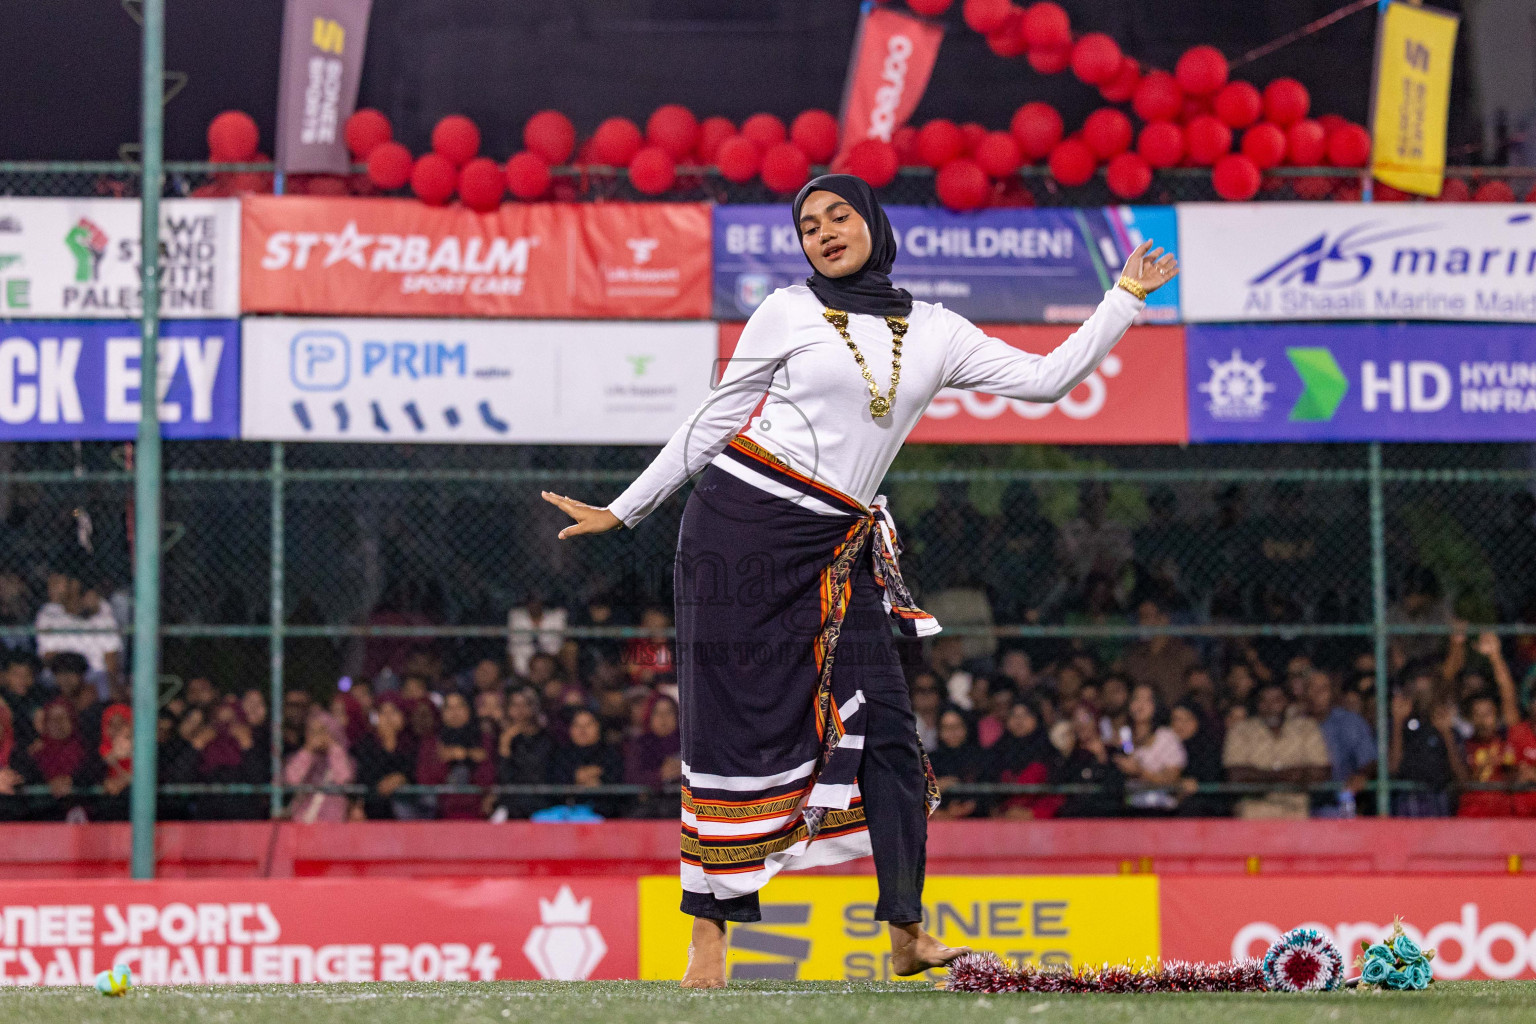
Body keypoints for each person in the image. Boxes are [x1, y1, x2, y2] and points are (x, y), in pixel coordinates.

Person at [541, 173, 1176, 987]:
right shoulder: (785, 310)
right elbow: (713, 420)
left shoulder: (939, 331)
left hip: (838, 546)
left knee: (891, 730)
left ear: (873, 221)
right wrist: (625, 509)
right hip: (739, 532)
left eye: (840, 215)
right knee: (728, 729)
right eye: (809, 225)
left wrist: (1122, 298)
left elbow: (1047, 379)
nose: (825, 232)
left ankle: (905, 928)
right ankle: (710, 940)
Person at [1222, 682, 1330, 819]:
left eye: (1277, 700)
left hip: (1296, 814)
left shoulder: (1307, 728)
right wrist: (1291, 775)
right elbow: (1235, 775)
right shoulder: (1240, 731)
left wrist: (1259, 776)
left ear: (1287, 702)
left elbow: (1320, 773)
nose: (1270, 706)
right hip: (1253, 814)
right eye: (1264, 701)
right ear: (1256, 704)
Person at [1304, 671, 1377, 817]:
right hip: (1300, 806)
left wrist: (1361, 775)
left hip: (1338, 805)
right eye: (1311, 688)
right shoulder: (1294, 723)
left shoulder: (1350, 722)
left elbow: (1370, 761)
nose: (1316, 694)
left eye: (1323, 689)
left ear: (1333, 693)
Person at [1113, 683, 1186, 813]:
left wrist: (1140, 772)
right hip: (1129, 810)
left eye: (1147, 700)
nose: (1140, 704)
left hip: (1160, 810)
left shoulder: (1166, 737)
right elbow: (1124, 761)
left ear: (1156, 705)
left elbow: (1171, 780)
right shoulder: (1125, 735)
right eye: (1136, 699)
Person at [282, 709, 354, 823]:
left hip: (332, 822)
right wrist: (308, 750)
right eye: (312, 731)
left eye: (322, 731)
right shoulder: (300, 755)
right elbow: (292, 779)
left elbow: (343, 779)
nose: (317, 736)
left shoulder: (342, 756)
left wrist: (332, 747)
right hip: (303, 821)